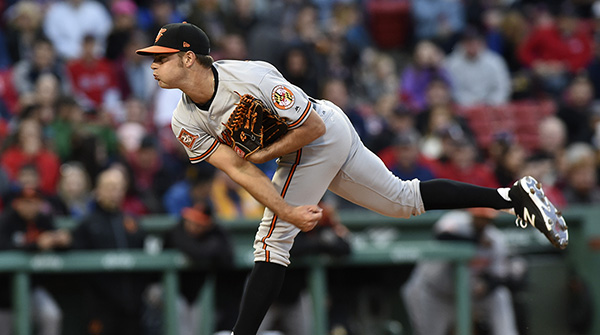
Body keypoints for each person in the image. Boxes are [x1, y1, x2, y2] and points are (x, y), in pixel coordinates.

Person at [136, 22, 568, 335]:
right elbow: (236, 168)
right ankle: (512, 197)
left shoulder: (250, 77)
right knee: (403, 201)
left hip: (320, 132)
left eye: (161, 58)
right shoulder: (182, 120)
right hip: (306, 147)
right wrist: (285, 207)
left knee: (271, 242)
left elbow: (311, 131)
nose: (153, 66)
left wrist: (265, 156)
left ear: (189, 57)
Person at [402, 208, 524, 335]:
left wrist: (487, 284)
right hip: (435, 294)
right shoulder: (455, 220)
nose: (482, 221)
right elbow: (442, 237)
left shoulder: (495, 239)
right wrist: (476, 240)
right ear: (471, 214)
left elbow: (499, 275)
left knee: (499, 295)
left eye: (486, 218)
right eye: (479, 216)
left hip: (469, 294)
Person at [69, 167, 149, 335]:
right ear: (98, 191)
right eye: (111, 187)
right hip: (100, 308)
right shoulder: (88, 224)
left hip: (133, 308)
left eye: (120, 187)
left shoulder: (132, 222)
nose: (116, 192)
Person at [0, 187, 69, 335]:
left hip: (32, 288)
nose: (30, 206)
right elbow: (6, 248)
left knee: (51, 316)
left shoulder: (43, 220)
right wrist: (36, 245)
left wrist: (63, 242)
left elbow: (59, 243)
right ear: (17, 203)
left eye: (34, 202)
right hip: (3, 292)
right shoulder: (6, 221)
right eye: (26, 202)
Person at [162, 202, 235, 335]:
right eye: (190, 221)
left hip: (202, 292)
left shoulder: (215, 232)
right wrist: (211, 251)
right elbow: (196, 252)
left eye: (198, 224)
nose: (192, 226)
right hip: (176, 291)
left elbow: (228, 257)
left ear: (208, 225)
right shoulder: (176, 230)